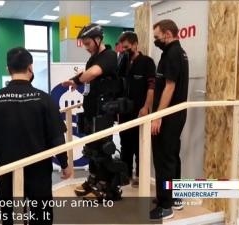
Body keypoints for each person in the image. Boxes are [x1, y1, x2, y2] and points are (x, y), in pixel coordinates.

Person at [0, 47, 72, 225]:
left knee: (10, 213)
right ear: (30, 67)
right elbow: (56, 137)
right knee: (41, 214)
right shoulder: (45, 99)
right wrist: (64, 164)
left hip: (6, 168)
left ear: (8, 69)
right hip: (39, 168)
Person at [62, 23, 127, 200]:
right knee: (92, 149)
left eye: (88, 43)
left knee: (102, 149)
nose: (86, 47)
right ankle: (93, 181)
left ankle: (106, 185)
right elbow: (88, 73)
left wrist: (76, 79)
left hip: (104, 111)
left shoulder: (109, 56)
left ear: (98, 40)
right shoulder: (94, 58)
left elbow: (92, 74)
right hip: (92, 109)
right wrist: (76, 81)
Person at [150, 19, 189, 220]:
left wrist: (158, 116)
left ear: (167, 33)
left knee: (164, 158)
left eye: (157, 37)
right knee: (172, 156)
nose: (155, 40)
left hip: (169, 116)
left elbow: (170, 86)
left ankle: (166, 206)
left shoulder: (173, 53)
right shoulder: (177, 51)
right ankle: (175, 198)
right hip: (175, 115)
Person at [117, 32, 156, 187]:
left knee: (140, 145)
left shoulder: (147, 62)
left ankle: (141, 177)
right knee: (125, 144)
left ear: (135, 44)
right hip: (124, 111)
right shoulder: (122, 62)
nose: (125, 50)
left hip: (140, 111)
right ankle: (125, 175)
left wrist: (146, 107)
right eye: (122, 47)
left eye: (127, 47)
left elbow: (151, 87)